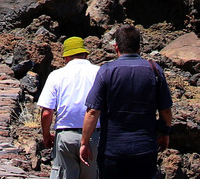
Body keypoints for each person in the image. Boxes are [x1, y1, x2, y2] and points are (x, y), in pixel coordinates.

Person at [79, 26, 173, 179]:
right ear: (139, 47)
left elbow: (92, 112)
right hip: (145, 148)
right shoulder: (154, 70)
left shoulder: (106, 71)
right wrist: (166, 133)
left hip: (112, 151)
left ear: (116, 47)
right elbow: (166, 111)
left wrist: (84, 142)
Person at [40, 37, 101, 179]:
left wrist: (46, 135)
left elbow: (46, 112)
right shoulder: (99, 73)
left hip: (65, 136)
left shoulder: (56, 76)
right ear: (85, 54)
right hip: (94, 136)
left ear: (66, 57)